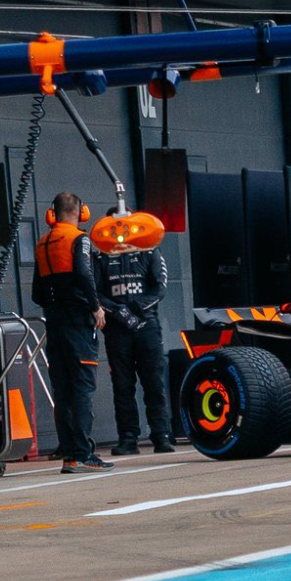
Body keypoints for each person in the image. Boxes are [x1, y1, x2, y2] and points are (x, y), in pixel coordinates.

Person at [32, 191, 112, 474]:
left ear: (52, 213)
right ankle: (83, 453)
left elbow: (36, 293)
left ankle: (70, 453)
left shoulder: (42, 243)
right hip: (78, 325)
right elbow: (83, 273)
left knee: (62, 391)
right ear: (81, 212)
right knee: (83, 390)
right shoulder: (81, 239)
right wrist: (95, 307)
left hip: (54, 324)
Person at [95, 237, 175, 457]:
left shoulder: (150, 252)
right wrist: (117, 311)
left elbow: (159, 288)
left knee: (154, 382)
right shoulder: (100, 257)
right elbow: (94, 292)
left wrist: (132, 308)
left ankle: (161, 436)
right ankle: (128, 438)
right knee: (122, 385)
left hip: (146, 326)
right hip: (117, 329)